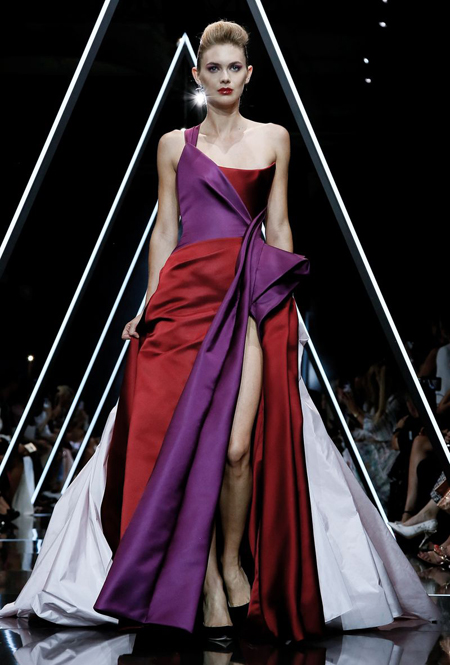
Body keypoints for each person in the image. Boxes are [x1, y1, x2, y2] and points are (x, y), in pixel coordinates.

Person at [0, 19, 442, 643]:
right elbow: (166, 229)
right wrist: (149, 304)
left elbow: (280, 226)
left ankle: (234, 564)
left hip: (251, 299)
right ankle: (209, 581)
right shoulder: (172, 146)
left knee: (237, 449)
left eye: (235, 67)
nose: (226, 77)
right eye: (215, 69)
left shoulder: (274, 138)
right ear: (198, 76)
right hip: (184, 304)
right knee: (186, 449)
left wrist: (284, 305)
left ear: (249, 74)